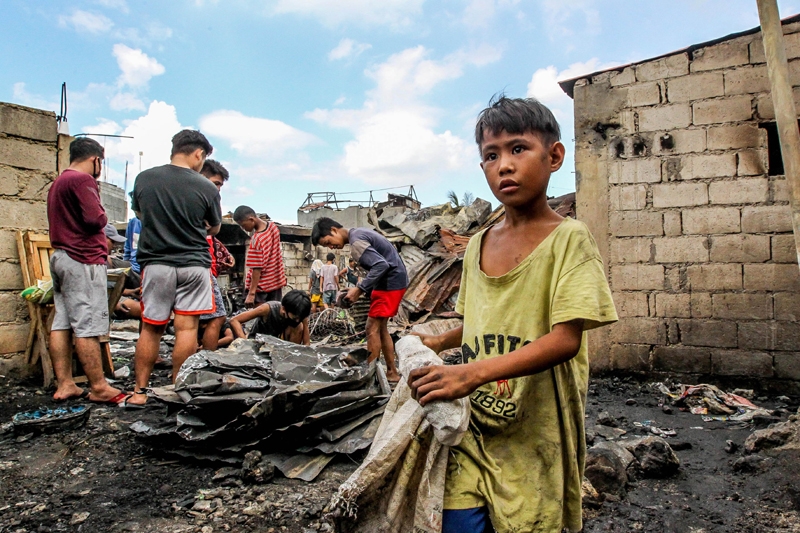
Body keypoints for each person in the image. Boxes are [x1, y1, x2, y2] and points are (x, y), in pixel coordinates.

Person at [407, 96, 618, 533]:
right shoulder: (477, 246)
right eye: (491, 155)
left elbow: (565, 339)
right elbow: (481, 322)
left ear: (554, 156)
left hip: (537, 434)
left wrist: (471, 373)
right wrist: (438, 342)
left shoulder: (569, 241)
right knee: (456, 522)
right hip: (476, 426)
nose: (504, 165)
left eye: (518, 149)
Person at [127, 129, 222, 408]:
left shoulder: (144, 179)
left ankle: (139, 393)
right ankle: (178, 388)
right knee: (187, 328)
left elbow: (141, 214)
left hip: (156, 263)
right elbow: (214, 228)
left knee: (151, 328)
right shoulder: (206, 187)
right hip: (194, 265)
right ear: (198, 154)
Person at [46, 137, 125, 404]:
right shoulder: (82, 181)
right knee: (87, 325)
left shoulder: (59, 182)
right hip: (82, 258)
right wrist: (103, 215)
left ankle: (65, 383)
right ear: (96, 160)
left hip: (61, 256)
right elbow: (95, 219)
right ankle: (99, 386)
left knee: (63, 322)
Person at [311, 218, 408, 382]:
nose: (331, 247)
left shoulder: (356, 242)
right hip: (393, 281)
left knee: (371, 328)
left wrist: (360, 289)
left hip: (389, 283)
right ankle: (391, 372)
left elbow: (381, 265)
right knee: (381, 328)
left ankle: (371, 377)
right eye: (327, 246)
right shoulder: (359, 233)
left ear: (334, 230)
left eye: (328, 242)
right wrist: (358, 289)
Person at [198, 159, 234, 350]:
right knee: (217, 316)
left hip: (188, 266)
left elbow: (210, 235)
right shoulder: (205, 199)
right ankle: (205, 362)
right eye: (216, 183)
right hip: (200, 268)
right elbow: (214, 228)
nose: (217, 189)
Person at [233, 206, 286, 308]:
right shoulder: (273, 227)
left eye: (243, 225)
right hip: (275, 282)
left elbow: (257, 268)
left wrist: (251, 293)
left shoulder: (257, 239)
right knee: (274, 315)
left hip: (260, 287)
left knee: (262, 318)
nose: (243, 229)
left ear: (251, 219)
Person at [229, 289, 311, 345]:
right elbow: (234, 320)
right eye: (294, 317)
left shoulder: (299, 315)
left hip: (279, 346)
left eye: (299, 318)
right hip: (259, 343)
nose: (297, 320)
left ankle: (291, 354)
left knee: (299, 326)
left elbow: (306, 344)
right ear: (283, 309)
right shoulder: (268, 309)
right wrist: (246, 344)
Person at [105, 223, 142, 320]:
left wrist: (129, 292)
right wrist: (115, 304)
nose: (113, 246)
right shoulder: (89, 261)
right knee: (143, 310)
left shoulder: (107, 259)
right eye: (112, 242)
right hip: (102, 302)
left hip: (111, 296)